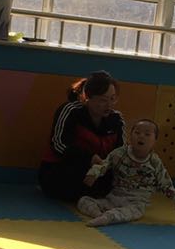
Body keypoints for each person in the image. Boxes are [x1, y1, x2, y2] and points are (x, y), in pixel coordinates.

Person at [38, 71, 124, 202]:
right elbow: (58, 144)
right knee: (73, 180)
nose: (109, 105)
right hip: (61, 169)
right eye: (103, 100)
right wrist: (89, 158)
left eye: (112, 99)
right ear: (88, 97)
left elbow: (121, 151)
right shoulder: (71, 111)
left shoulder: (116, 119)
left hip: (97, 172)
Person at [78, 119, 175, 227]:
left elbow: (165, 182)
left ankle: (109, 217)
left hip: (137, 201)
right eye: (137, 132)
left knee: (133, 212)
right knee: (83, 201)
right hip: (114, 196)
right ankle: (97, 214)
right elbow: (105, 164)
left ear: (155, 141)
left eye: (147, 134)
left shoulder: (154, 162)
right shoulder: (120, 153)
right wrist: (93, 173)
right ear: (130, 136)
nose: (141, 136)